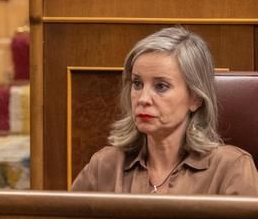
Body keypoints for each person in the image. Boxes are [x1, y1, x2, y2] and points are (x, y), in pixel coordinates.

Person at [71, 27, 258, 195]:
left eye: (161, 86)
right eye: (137, 83)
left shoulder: (232, 169)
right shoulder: (104, 166)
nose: (143, 99)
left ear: (196, 98)